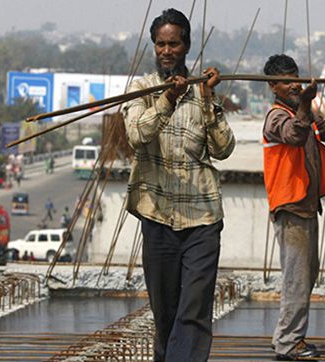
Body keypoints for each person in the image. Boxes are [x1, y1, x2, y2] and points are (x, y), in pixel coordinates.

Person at [122, 8, 235, 362]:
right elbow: (138, 135)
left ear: (186, 46)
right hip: (157, 216)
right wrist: (168, 99)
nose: (166, 50)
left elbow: (223, 148)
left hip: (202, 217)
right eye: (160, 44)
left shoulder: (204, 92)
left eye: (173, 44)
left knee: (194, 311)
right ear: (154, 47)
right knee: (166, 313)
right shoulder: (141, 89)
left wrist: (207, 99)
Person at [262, 54, 325, 360]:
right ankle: (288, 342)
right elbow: (294, 136)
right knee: (297, 278)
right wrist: (304, 105)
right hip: (291, 204)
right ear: (273, 86)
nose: (294, 84)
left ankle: (286, 336)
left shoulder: (302, 110)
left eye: (295, 77)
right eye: (286, 81)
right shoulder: (275, 116)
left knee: (306, 276)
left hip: (306, 205)